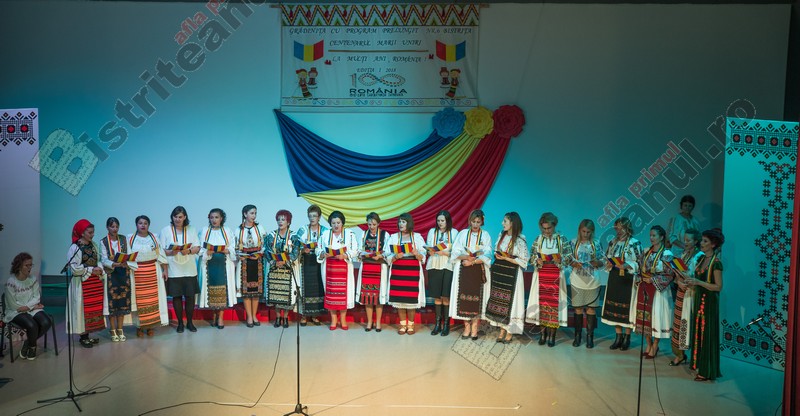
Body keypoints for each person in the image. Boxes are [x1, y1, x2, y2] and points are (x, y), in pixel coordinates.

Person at [526, 212, 571, 347]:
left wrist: (560, 259)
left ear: (554, 225)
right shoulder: (538, 239)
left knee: (553, 304)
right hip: (542, 273)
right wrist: (537, 260)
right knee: (542, 304)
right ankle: (543, 334)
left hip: (556, 274)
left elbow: (569, 257)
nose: (546, 231)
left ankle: (552, 335)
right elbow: (531, 256)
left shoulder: (562, 239)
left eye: (549, 228)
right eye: (544, 228)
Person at [485, 212, 529, 343]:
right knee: (500, 301)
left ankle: (510, 331)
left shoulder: (520, 239)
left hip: (512, 273)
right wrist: (498, 255)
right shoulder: (502, 235)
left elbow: (524, 260)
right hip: (500, 272)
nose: (502, 223)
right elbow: (496, 250)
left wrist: (506, 258)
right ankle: (502, 329)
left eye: (505, 221)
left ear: (512, 223)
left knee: (512, 302)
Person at [687, 228, 725, 381]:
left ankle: (707, 370)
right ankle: (698, 365)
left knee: (707, 333)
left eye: (705, 241)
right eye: (702, 240)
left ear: (713, 244)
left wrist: (698, 282)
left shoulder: (716, 263)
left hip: (709, 303)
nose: (701, 243)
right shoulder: (701, 259)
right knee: (698, 332)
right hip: (699, 299)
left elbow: (718, 287)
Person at [600, 217, 643, 351]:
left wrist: (627, 265)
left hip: (628, 279)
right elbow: (607, 257)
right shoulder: (613, 242)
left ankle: (627, 337)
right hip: (615, 277)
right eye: (617, 228)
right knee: (614, 309)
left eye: (621, 228)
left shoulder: (634, 243)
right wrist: (608, 263)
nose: (618, 231)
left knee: (626, 308)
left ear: (627, 228)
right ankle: (618, 337)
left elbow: (640, 262)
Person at [449, 209, 492, 340]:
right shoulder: (463, 234)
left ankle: (474, 328)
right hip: (463, 269)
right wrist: (466, 257)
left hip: (477, 269)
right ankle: (466, 327)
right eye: (473, 221)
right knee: (463, 299)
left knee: (477, 299)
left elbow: (488, 254)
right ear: (470, 221)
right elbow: (455, 252)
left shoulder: (485, 235)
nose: (475, 224)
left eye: (478, 222)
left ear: (482, 222)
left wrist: (472, 261)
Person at [632, 225, 674, 359]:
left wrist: (653, 279)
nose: (651, 238)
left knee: (656, 316)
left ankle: (655, 345)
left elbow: (670, 274)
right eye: (650, 235)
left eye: (654, 235)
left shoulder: (667, 254)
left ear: (661, 237)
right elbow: (639, 268)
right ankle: (648, 343)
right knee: (644, 315)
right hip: (644, 287)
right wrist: (640, 277)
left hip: (657, 290)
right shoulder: (646, 251)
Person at [159, 206, 201, 333]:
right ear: (172, 217)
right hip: (173, 268)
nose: (177, 219)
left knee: (190, 297)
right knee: (176, 297)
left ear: (185, 217)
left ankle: (190, 322)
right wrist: (171, 252)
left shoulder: (191, 229)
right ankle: (180, 323)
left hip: (189, 268)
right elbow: (161, 251)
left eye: (180, 217)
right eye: (175, 217)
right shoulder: (165, 230)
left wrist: (188, 251)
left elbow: (197, 247)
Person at [4, 253, 53, 360]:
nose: (30, 268)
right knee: (32, 325)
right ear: (19, 266)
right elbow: (13, 304)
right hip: (15, 311)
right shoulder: (11, 282)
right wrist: (32, 307)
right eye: (27, 265)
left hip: (31, 309)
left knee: (46, 322)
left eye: (31, 265)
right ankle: (33, 347)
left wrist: (29, 307)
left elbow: (36, 297)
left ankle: (28, 343)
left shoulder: (33, 279)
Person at [67, 219, 107, 348]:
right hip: (82, 283)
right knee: (82, 309)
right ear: (82, 233)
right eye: (90, 232)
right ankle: (83, 337)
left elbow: (98, 259)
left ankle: (88, 335)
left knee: (93, 309)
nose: (92, 234)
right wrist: (90, 270)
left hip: (94, 282)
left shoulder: (93, 245)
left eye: (93, 232)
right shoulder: (75, 248)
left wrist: (99, 268)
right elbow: (74, 268)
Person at [385, 213, 427, 335]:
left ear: (409, 223)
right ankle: (403, 325)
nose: (400, 224)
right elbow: (387, 254)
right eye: (399, 221)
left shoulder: (417, 237)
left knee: (411, 300)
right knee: (400, 299)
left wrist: (416, 253)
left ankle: (411, 325)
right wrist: (395, 256)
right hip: (398, 270)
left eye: (403, 222)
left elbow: (423, 255)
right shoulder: (393, 237)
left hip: (412, 271)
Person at [316, 211, 359, 330]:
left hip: (344, 267)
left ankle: (343, 319)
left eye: (338, 223)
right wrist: (323, 254)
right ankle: (334, 319)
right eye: (333, 223)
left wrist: (345, 255)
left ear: (342, 223)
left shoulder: (349, 234)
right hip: (329, 269)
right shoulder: (325, 234)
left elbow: (355, 249)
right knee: (331, 295)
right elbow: (318, 249)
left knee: (344, 294)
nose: (336, 225)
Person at [566, 219, 605, 348]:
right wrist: (574, 264)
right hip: (577, 280)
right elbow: (567, 260)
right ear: (579, 230)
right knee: (577, 308)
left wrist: (596, 262)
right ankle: (577, 336)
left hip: (592, 281)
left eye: (588, 232)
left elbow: (603, 261)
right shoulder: (573, 243)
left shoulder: (596, 243)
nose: (586, 234)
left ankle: (589, 337)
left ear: (592, 232)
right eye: (583, 231)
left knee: (591, 309)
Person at [129, 215, 169, 337]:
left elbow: (161, 254)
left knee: (152, 300)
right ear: (136, 225)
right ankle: (139, 327)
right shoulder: (130, 239)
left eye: (145, 223)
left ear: (148, 225)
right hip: (137, 272)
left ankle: (151, 326)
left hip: (153, 271)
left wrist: (165, 270)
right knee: (139, 300)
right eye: (140, 223)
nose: (143, 225)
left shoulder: (154, 238)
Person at [199, 208, 237, 329]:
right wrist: (207, 251)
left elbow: (233, 247)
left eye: (216, 217)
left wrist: (226, 250)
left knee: (223, 291)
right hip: (209, 265)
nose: (214, 220)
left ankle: (220, 317)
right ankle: (214, 314)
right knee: (211, 290)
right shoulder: (204, 231)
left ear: (221, 218)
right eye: (212, 217)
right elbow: (200, 248)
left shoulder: (227, 231)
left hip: (223, 266)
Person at [669, 228, 702, 366]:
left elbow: (697, 276)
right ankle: (680, 354)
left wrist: (685, 279)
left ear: (696, 241)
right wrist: (679, 281)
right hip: (681, 292)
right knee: (678, 323)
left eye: (688, 240)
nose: (685, 242)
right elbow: (677, 274)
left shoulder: (699, 256)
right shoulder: (683, 254)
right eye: (685, 239)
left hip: (691, 294)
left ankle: (695, 357)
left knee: (688, 323)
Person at [265, 209, 301, 328]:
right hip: (275, 268)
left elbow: (295, 252)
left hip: (288, 268)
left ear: (288, 222)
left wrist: (285, 261)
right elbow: (267, 251)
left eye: (283, 219)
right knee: (275, 293)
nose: (280, 222)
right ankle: (277, 317)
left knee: (286, 294)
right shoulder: (271, 235)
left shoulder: (294, 236)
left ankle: (285, 317)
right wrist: (275, 262)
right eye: (279, 219)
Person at [425, 210, 459, 336]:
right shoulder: (432, 232)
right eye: (438, 220)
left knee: (445, 296)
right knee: (437, 297)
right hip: (434, 265)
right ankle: (437, 324)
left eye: (442, 221)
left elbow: (456, 252)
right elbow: (428, 248)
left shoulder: (454, 232)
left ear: (447, 221)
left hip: (447, 265)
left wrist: (444, 253)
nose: (440, 223)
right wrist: (429, 251)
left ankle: (446, 325)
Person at [100, 217, 132, 342]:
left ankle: (120, 329)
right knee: (112, 303)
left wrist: (127, 260)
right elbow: (104, 259)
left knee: (122, 301)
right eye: (112, 226)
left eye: (117, 226)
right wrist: (114, 263)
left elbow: (129, 253)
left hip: (123, 273)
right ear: (107, 227)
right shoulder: (104, 241)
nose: (115, 229)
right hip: (111, 274)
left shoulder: (123, 239)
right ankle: (112, 329)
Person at [234, 204, 267, 327]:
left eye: (255, 213)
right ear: (245, 214)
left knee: (256, 291)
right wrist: (239, 255)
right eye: (252, 213)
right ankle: (249, 316)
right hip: (244, 262)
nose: (254, 216)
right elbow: (235, 246)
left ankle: (254, 315)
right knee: (246, 291)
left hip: (257, 261)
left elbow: (265, 244)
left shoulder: (259, 228)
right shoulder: (238, 230)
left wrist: (260, 254)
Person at [356, 212, 389, 332]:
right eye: (369, 224)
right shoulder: (363, 234)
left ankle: (378, 322)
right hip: (367, 267)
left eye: (374, 224)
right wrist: (362, 253)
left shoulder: (385, 234)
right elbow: (359, 250)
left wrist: (380, 255)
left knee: (378, 296)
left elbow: (388, 250)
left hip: (379, 266)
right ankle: (369, 322)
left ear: (378, 223)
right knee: (367, 296)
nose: (371, 227)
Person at [295, 205, 328, 325]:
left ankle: (315, 315)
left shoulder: (325, 231)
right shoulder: (302, 230)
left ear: (319, 217)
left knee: (318, 288)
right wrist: (302, 250)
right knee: (305, 289)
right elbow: (295, 246)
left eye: (315, 216)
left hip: (319, 263)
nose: (312, 218)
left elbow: (327, 246)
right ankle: (304, 315)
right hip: (306, 262)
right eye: (310, 216)